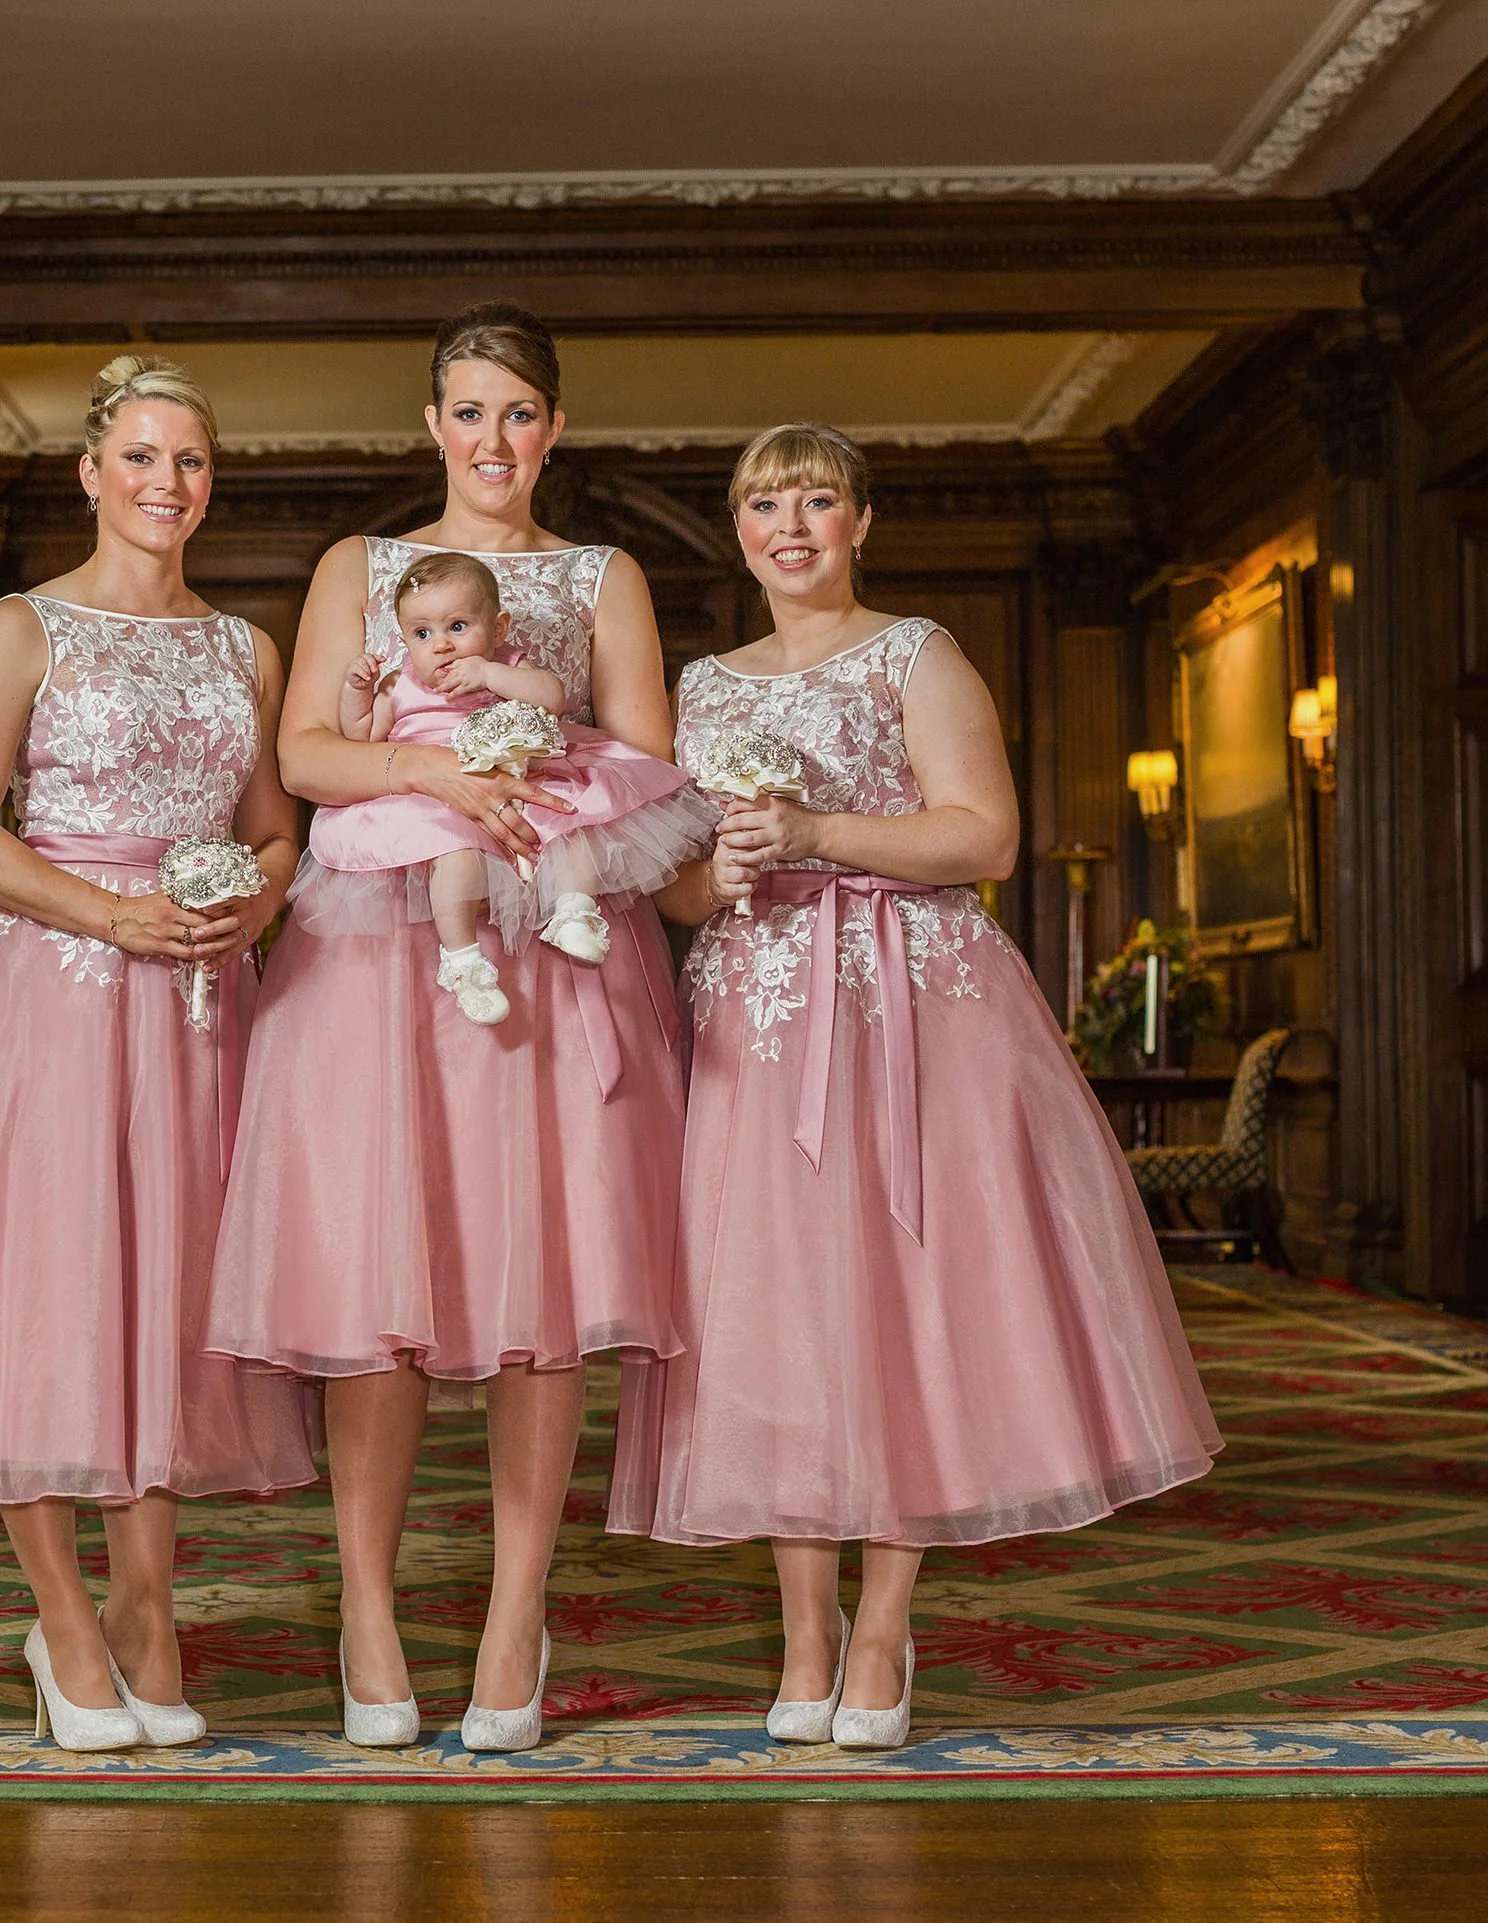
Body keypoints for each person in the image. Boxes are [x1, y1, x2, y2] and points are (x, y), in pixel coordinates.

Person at [609, 422, 1221, 1750]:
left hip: (911, 1007)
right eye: (765, 501)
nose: (792, 524)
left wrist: (825, 831)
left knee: (900, 1301)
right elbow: (669, 879)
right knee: (767, 1306)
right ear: (741, 527)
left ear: (860, 521)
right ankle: (805, 1624)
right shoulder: (702, 686)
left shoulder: (917, 652)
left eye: (816, 499)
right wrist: (722, 876)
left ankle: (883, 1616)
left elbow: (983, 831)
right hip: (756, 1022)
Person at [0, 354, 316, 1752]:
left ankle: (150, 1613)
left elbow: (276, 823)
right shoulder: (19, 627)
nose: (168, 484)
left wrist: (254, 897)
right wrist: (114, 913)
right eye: (142, 458)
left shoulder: (246, 649)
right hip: (55, 996)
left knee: (159, 1307)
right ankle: (67, 1622)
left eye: (192, 461)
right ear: (93, 472)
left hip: (202, 1012)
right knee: (49, 1298)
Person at [205, 303, 687, 1753]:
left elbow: (653, 757)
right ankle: (365, 1606)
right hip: (372, 959)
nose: (494, 439)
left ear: (555, 426)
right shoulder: (358, 565)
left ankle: (511, 1618)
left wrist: (523, 772)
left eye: (521, 412)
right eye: (468, 412)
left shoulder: (606, 575)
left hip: (551, 944)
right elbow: (300, 749)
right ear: (431, 424)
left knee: (546, 1299)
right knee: (381, 1295)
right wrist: (433, 765)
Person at [302, 548, 707, 1024]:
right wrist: (356, 691)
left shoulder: (508, 669)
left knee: (570, 826)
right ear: (405, 639)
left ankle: (575, 913)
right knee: (455, 862)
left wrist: (490, 673)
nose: (442, 645)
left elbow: (553, 698)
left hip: (522, 776)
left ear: (496, 629)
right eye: (422, 633)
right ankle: (463, 963)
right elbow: (362, 737)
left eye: (458, 627)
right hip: (437, 800)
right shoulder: (400, 685)